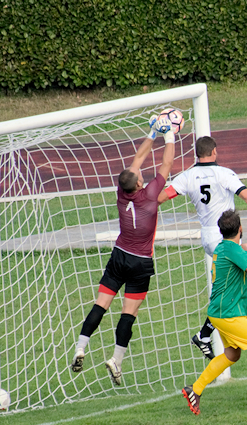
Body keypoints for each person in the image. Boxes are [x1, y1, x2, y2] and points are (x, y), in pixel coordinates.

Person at [159, 135, 247, 361]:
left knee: (233, 284)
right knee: (245, 277)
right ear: (214, 152)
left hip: (209, 236)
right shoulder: (224, 173)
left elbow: (164, 196)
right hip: (225, 234)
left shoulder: (187, 176)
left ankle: (204, 335)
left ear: (197, 154)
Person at [70, 117, 176, 385]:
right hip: (141, 264)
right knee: (128, 314)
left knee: (100, 304)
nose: (140, 172)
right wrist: (170, 135)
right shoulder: (150, 194)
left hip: (118, 256)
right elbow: (166, 164)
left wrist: (152, 132)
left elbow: (136, 163)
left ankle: (81, 347)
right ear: (140, 184)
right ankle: (116, 360)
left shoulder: (122, 191)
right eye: (140, 176)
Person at [181, 210, 247, 414]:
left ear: (222, 231)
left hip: (219, 313)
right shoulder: (233, 250)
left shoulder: (223, 248)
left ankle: (195, 389)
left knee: (232, 354)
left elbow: (237, 261)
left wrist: (244, 251)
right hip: (229, 315)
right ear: (240, 229)